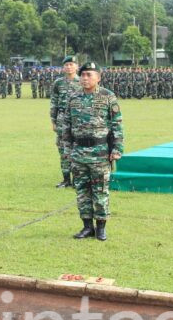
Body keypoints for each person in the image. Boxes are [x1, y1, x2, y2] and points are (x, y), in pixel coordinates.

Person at [61, 62, 123, 241]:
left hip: (100, 153)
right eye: (83, 75)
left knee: (100, 191)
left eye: (89, 74)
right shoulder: (73, 97)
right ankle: (87, 227)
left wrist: (117, 149)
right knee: (82, 191)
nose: (85, 78)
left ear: (98, 77)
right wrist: (67, 150)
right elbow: (66, 125)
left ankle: (101, 227)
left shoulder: (107, 96)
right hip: (78, 152)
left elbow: (116, 125)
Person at [50, 56, 80, 188]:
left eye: (71, 64)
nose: (69, 67)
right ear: (63, 67)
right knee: (63, 150)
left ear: (76, 66)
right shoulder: (58, 83)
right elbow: (54, 102)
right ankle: (66, 179)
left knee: (78, 149)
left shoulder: (82, 82)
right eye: (66, 65)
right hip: (62, 119)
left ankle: (77, 180)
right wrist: (53, 120)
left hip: (78, 119)